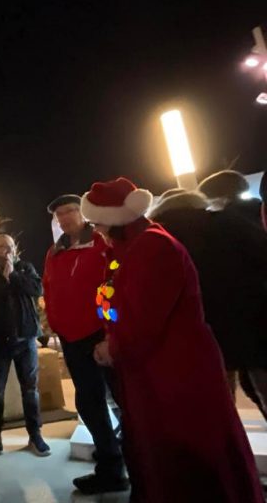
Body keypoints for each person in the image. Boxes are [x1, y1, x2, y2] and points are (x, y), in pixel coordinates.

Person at [82, 177, 263, 503]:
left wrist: (114, 346)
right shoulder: (121, 251)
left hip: (177, 371)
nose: (97, 231)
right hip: (151, 372)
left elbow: (146, 319)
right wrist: (110, 328)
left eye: (99, 223)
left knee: (193, 458)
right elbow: (111, 302)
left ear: (117, 217)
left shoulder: (154, 246)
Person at [150, 188, 267, 419]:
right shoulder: (229, 223)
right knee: (261, 387)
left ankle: (233, 451)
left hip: (202, 333)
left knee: (220, 406)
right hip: (253, 324)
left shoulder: (160, 238)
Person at [43, 194, 127, 495]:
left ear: (82, 213)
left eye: (69, 211)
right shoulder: (54, 252)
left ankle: (134, 460)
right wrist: (55, 322)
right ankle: (110, 464)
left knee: (123, 399)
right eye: (59, 215)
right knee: (89, 403)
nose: (65, 218)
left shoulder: (104, 246)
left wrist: (109, 330)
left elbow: (113, 285)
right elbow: (50, 288)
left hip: (100, 337)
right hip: (71, 339)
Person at [0, 233, 50, 456]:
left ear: (14, 248)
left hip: (26, 338)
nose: (2, 251)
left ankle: (35, 435)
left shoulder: (24, 267)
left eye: (6, 247)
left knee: (30, 389)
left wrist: (13, 276)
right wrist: (3, 280)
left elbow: (37, 289)